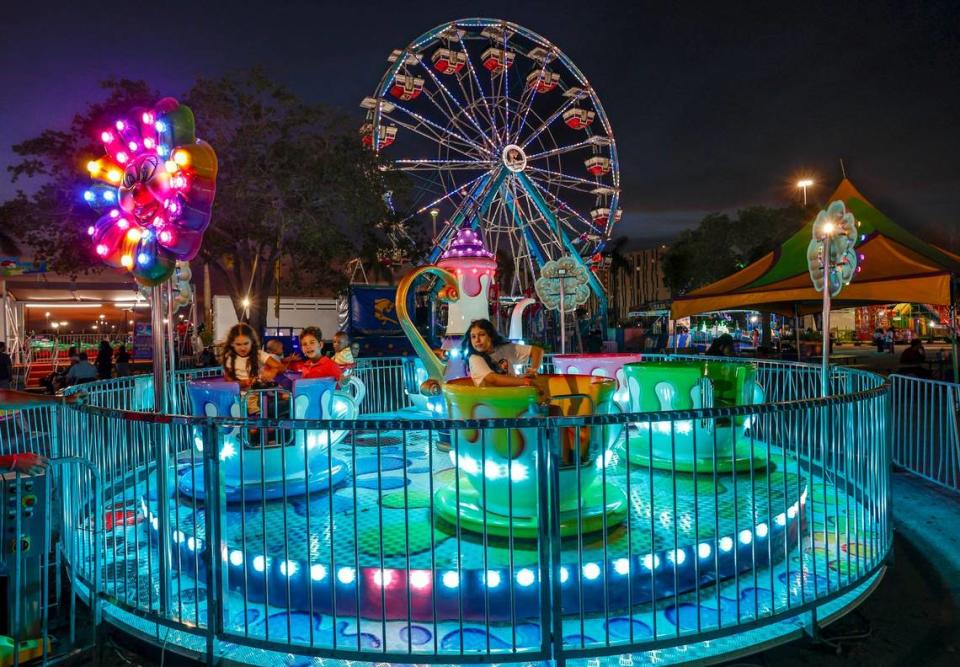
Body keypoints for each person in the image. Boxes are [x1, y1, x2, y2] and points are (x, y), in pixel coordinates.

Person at [462, 319, 545, 391]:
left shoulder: (504, 348)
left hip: (514, 395)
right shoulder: (475, 358)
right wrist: (527, 381)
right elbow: (493, 379)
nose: (477, 340)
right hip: (493, 402)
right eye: (473, 336)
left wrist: (533, 370)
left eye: (482, 335)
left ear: (490, 336)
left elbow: (537, 351)